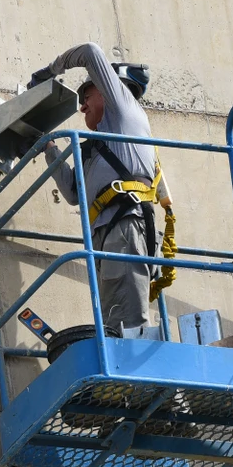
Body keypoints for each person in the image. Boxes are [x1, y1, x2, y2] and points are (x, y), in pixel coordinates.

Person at [29, 42, 171, 333]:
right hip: (106, 234)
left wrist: (49, 72)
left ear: (110, 90)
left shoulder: (124, 114)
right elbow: (71, 193)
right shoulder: (99, 147)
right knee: (114, 321)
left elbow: (90, 52)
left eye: (87, 95)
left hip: (126, 225)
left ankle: (133, 372)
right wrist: (50, 148)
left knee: (128, 324)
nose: (82, 106)